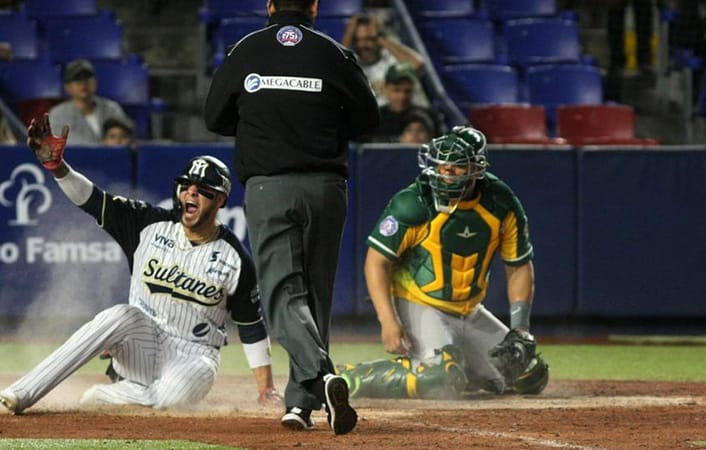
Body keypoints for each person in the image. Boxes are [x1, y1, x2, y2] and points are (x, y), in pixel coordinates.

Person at [0, 114, 282, 414]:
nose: (191, 193)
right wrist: (58, 168)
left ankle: (116, 395)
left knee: (169, 400)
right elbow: (94, 200)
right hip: (142, 339)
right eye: (186, 186)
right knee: (120, 314)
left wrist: (266, 390)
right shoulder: (148, 224)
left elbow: (251, 327)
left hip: (195, 355)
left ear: (221, 200)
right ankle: (24, 391)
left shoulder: (235, 258)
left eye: (202, 190)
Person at [204, 0, 380, 435]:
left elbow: (214, 116)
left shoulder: (246, 50)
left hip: (270, 186)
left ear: (269, 6)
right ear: (314, 8)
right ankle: (300, 404)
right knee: (314, 296)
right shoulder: (334, 53)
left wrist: (261, 116)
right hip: (326, 188)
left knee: (283, 294)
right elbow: (369, 120)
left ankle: (321, 375)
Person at [337, 127, 549, 400]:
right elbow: (376, 263)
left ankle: (469, 371)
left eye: (457, 167)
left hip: (469, 310)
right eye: (442, 166)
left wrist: (519, 330)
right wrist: (388, 321)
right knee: (440, 376)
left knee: (528, 374)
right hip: (417, 302)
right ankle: (350, 378)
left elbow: (519, 265)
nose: (446, 173)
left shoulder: (501, 203)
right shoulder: (414, 202)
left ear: (476, 167)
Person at [341, 13, 427, 106]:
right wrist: (348, 35)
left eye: (369, 39)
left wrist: (380, 36)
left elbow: (417, 65)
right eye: (358, 40)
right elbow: (335, 71)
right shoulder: (352, 63)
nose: (363, 45)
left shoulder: (391, 58)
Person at [48, 58, 135, 146]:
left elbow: (127, 138)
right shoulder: (58, 114)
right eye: (77, 80)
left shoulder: (112, 109)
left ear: (95, 83)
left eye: (87, 79)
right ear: (68, 87)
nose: (83, 84)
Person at [369, 62, 440, 142]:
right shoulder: (374, 119)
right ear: (385, 88)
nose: (402, 97)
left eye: (407, 91)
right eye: (396, 90)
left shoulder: (428, 117)